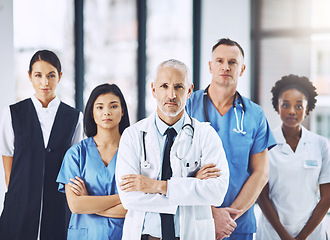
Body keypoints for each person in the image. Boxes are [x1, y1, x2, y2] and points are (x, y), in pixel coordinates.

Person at [116, 59, 230, 240]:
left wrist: (157, 186)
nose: (171, 94)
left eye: (178, 87)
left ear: (190, 90)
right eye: (164, 86)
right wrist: (190, 187)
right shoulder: (133, 136)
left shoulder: (206, 135)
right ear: (153, 89)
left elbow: (217, 192)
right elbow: (129, 198)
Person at [185, 38, 276, 240]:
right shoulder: (188, 107)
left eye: (232, 62)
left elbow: (261, 172)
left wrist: (228, 217)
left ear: (242, 69)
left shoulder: (255, 115)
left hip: (237, 224)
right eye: (219, 61)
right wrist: (211, 213)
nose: (225, 66)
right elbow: (174, 168)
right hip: (194, 220)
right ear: (210, 66)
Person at [0, 50, 84, 240]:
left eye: (51, 75)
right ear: (29, 76)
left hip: (58, 206)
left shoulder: (73, 117)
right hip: (19, 206)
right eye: (38, 75)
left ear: (60, 77)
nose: (45, 82)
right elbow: (8, 162)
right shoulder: (13, 113)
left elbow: (74, 165)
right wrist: (20, 198)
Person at [256, 75, 330, 240]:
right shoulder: (265, 143)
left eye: (298, 106)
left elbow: (327, 198)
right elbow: (261, 195)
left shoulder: (320, 144)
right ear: (277, 106)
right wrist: (285, 236)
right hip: (273, 233)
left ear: (307, 108)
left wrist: (302, 237)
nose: (291, 111)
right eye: (285, 105)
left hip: (312, 233)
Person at [56, 83, 129, 240]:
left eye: (113, 106)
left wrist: (89, 203)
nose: (107, 112)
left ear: (122, 111)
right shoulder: (76, 154)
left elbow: (134, 208)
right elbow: (76, 206)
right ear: (92, 113)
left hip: (123, 235)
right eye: (100, 107)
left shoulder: (134, 152)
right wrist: (121, 198)